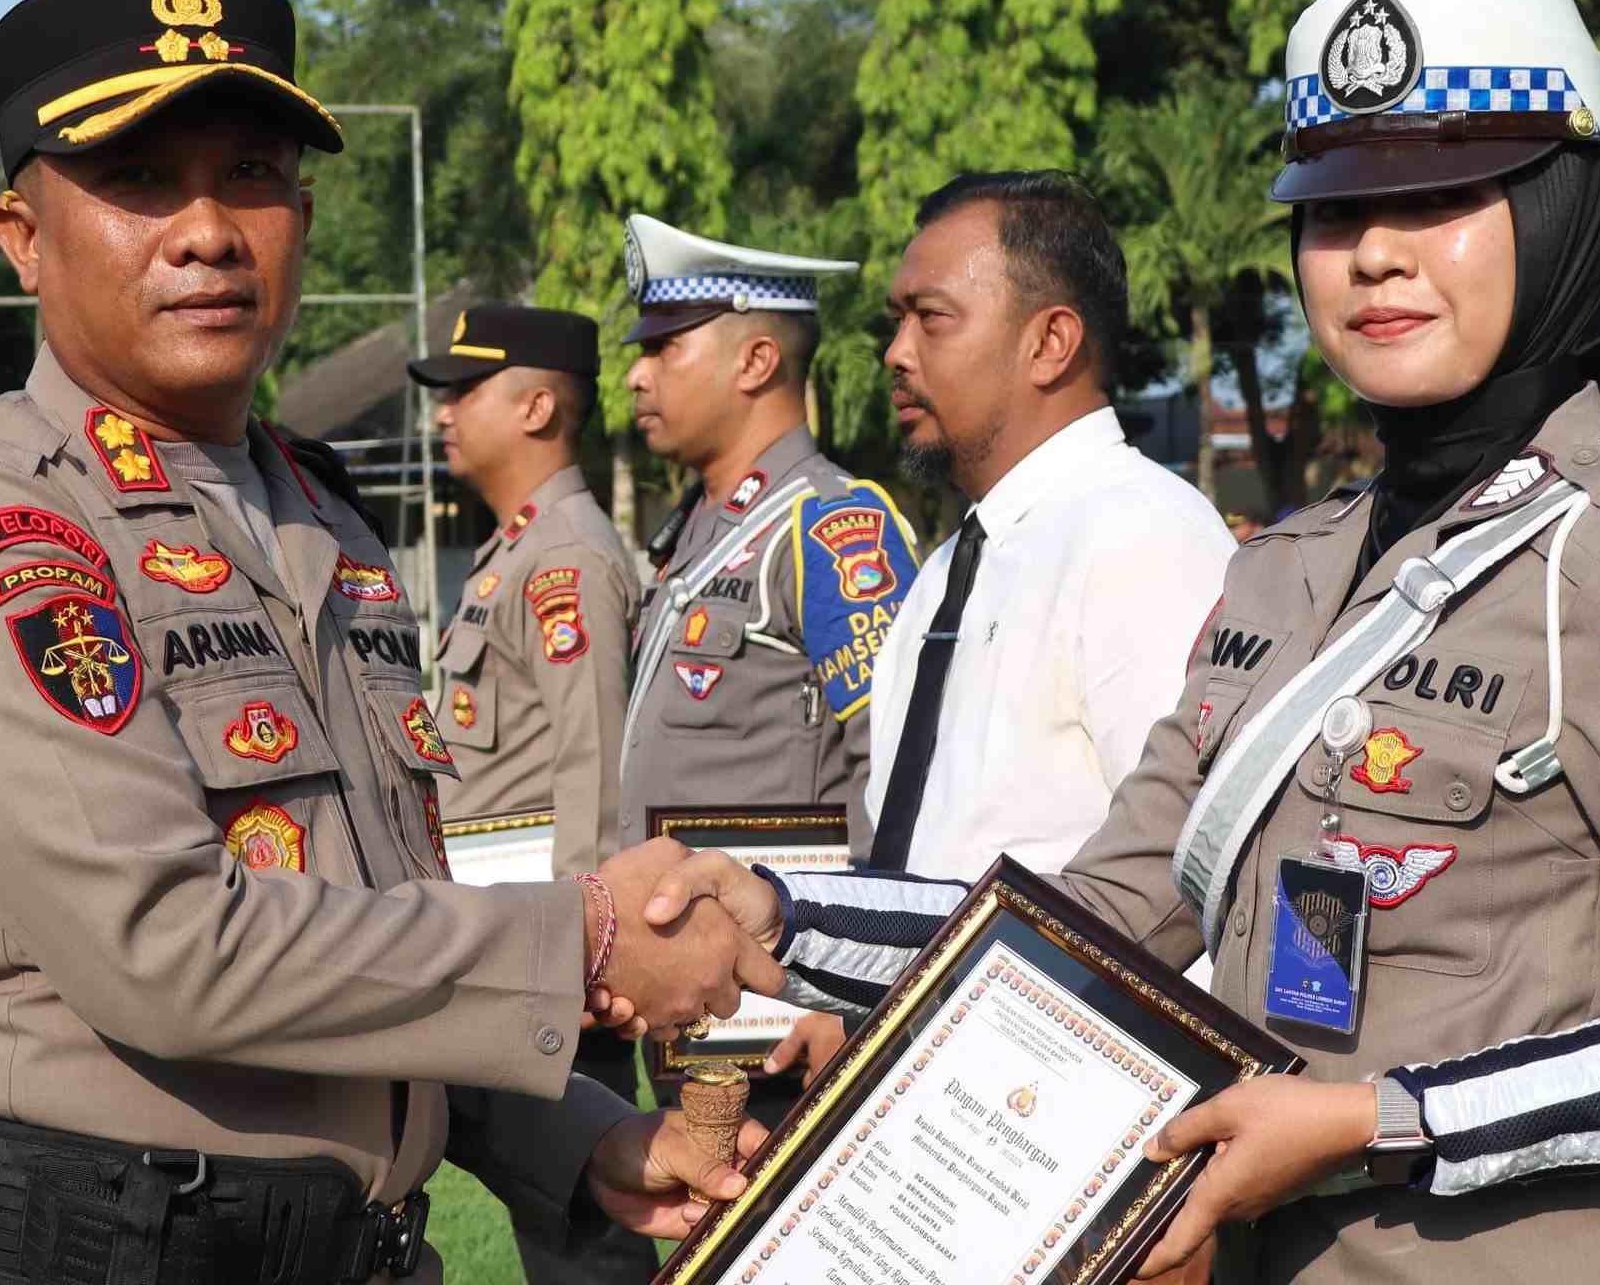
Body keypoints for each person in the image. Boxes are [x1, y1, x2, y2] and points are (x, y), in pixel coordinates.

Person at [645, 0, 1600, 1285]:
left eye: (1441, 202)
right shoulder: (1286, 565)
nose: (1376, 254)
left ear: (1560, 218)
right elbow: (1107, 911)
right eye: (1337, 209)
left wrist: (1380, 1122)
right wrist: (783, 907)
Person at [0, 0, 777, 1285]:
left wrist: (579, 1141)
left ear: (304, 217)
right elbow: (167, 950)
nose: (208, 229)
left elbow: (384, 916)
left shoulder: (322, 518)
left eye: (251, 176)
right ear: (21, 234)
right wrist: (587, 941)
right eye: (142, 180)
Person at [762, 170, 1238, 1085]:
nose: (896, 352)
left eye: (931, 319)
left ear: (1050, 342)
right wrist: (868, 1006)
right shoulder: (953, 563)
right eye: (895, 322)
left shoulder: (1143, 537)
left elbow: (1196, 886)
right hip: (939, 1083)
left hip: (1064, 1099)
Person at [614, 212, 923, 1126]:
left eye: (666, 348)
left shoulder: (830, 526)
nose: (636, 372)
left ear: (754, 362)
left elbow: (894, 772)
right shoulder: (700, 527)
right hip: (697, 999)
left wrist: (859, 997)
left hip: (789, 1010)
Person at [407, 305, 655, 1285]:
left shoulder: (565, 560)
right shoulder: (516, 550)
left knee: (582, 1235)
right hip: (508, 937)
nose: (444, 414)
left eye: (465, 392)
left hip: (553, 953)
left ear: (540, 405)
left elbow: (589, 769)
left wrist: (586, 949)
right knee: (553, 1215)